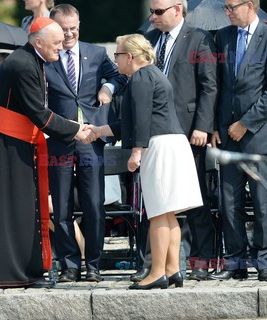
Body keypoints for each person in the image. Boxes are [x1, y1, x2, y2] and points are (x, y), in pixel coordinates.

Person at [0, 17, 91, 288]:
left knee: (24, 209)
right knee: (15, 210)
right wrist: (75, 129)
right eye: (56, 43)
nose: (62, 47)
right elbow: (38, 113)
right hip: (9, 145)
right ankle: (15, 273)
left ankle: (23, 271)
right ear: (38, 42)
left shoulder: (31, 59)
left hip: (17, 142)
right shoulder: (24, 64)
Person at [86, 33, 202, 289]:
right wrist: (98, 130)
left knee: (159, 213)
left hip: (157, 146)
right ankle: (173, 270)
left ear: (129, 56)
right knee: (169, 213)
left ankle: (156, 273)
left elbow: (141, 121)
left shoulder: (139, 77)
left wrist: (136, 152)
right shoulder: (153, 74)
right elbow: (130, 121)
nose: (115, 61)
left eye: (117, 55)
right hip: (172, 143)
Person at [133, 0, 217, 282]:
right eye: (151, 11)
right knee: (158, 202)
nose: (152, 17)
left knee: (194, 201)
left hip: (188, 130)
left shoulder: (198, 38)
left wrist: (203, 126)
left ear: (178, 9)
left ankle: (200, 261)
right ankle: (155, 265)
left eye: (158, 12)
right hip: (157, 134)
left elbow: (209, 84)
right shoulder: (150, 40)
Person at [45, 4, 127, 283]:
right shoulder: (47, 56)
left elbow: (119, 76)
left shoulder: (97, 53)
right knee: (63, 205)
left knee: (94, 204)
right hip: (59, 140)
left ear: (80, 25)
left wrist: (108, 88)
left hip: (92, 139)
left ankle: (93, 264)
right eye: (63, 29)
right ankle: (69, 265)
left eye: (73, 29)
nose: (69, 35)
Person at [209, 0, 267, 281]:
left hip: (258, 136)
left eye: (231, 6)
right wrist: (216, 126)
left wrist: (246, 123)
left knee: (261, 202)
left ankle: (263, 262)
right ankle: (236, 262)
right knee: (228, 202)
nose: (227, 12)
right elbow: (217, 84)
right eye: (225, 7)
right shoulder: (223, 37)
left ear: (250, 6)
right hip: (227, 135)